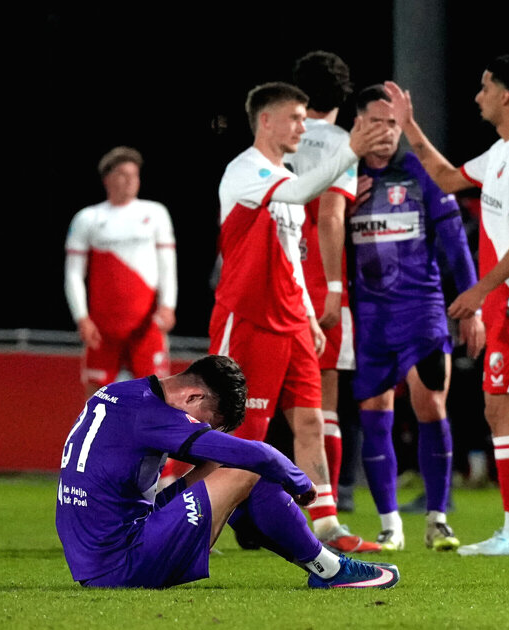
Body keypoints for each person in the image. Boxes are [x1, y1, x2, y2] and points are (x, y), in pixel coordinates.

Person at [384, 53, 509, 556]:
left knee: (505, 410)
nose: (477, 95)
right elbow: (444, 176)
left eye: (485, 87)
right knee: (497, 409)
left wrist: (480, 291)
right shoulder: (503, 152)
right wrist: (410, 127)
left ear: (506, 94)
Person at [209, 82, 392, 553]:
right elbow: (305, 189)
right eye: (294, 117)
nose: (302, 126)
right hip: (249, 318)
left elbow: (291, 256)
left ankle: (327, 526)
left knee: (310, 422)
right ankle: (175, 511)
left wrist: (309, 315)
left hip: (291, 320)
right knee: (235, 432)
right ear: (265, 121)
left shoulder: (283, 172)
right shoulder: (245, 171)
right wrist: (350, 148)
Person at [55, 355, 399, 589]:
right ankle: (330, 569)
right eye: (206, 422)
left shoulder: (119, 393)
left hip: (98, 557)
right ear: (193, 396)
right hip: (122, 561)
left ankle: (319, 563)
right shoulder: (154, 415)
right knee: (246, 470)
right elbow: (255, 453)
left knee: (220, 466)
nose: (201, 429)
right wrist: (300, 482)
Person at [345, 85, 484, 551]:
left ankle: (438, 519)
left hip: (421, 310)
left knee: (431, 406)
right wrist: (342, 204)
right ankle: (389, 525)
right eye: (375, 123)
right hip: (368, 317)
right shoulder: (343, 180)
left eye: (393, 123)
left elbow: (455, 243)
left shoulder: (421, 174)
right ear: (357, 125)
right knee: (376, 412)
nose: (385, 133)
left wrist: (470, 305)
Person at [286, 51, 358, 523]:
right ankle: (327, 511)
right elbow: (331, 216)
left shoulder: (279, 138)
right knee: (321, 398)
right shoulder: (341, 143)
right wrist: (334, 286)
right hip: (318, 278)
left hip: (276, 274)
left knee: (259, 401)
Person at [65, 147, 176, 397]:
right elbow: (73, 274)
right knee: (96, 395)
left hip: (146, 325)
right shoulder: (87, 218)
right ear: (107, 179)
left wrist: (168, 305)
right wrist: (81, 317)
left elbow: (168, 265)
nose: (130, 180)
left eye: (134, 174)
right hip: (103, 327)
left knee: (157, 393)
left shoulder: (155, 213)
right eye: (123, 174)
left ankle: (152, 438)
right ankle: (98, 437)